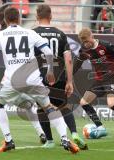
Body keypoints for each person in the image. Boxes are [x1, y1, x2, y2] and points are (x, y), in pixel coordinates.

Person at [0, 7, 63, 152]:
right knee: (36, 106)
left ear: (5, 20)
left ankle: (8, 140)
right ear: (20, 18)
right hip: (32, 79)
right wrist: (50, 71)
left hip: (12, 80)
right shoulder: (30, 32)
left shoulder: (0, 35)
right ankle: (55, 136)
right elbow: (47, 52)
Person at [32, 4, 88, 151]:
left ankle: (49, 140)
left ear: (37, 17)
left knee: (42, 108)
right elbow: (68, 59)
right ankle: (74, 133)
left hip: (40, 75)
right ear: (51, 16)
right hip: (59, 75)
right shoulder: (61, 34)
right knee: (63, 106)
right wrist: (69, 81)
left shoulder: (31, 34)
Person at [73, 27, 114, 141]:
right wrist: (69, 76)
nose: (86, 44)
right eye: (83, 43)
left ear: (91, 37)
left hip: (112, 77)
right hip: (99, 80)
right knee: (83, 102)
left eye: (87, 41)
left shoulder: (105, 45)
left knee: (112, 104)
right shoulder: (83, 50)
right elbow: (78, 64)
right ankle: (100, 127)